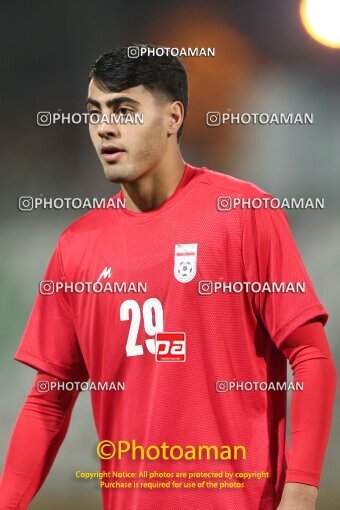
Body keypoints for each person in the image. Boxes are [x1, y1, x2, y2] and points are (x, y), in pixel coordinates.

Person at [0, 44, 337, 510]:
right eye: (94, 112)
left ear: (173, 117)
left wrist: (301, 489)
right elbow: (47, 403)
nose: (104, 127)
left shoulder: (243, 214)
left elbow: (311, 357)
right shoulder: (76, 249)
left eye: (124, 110)